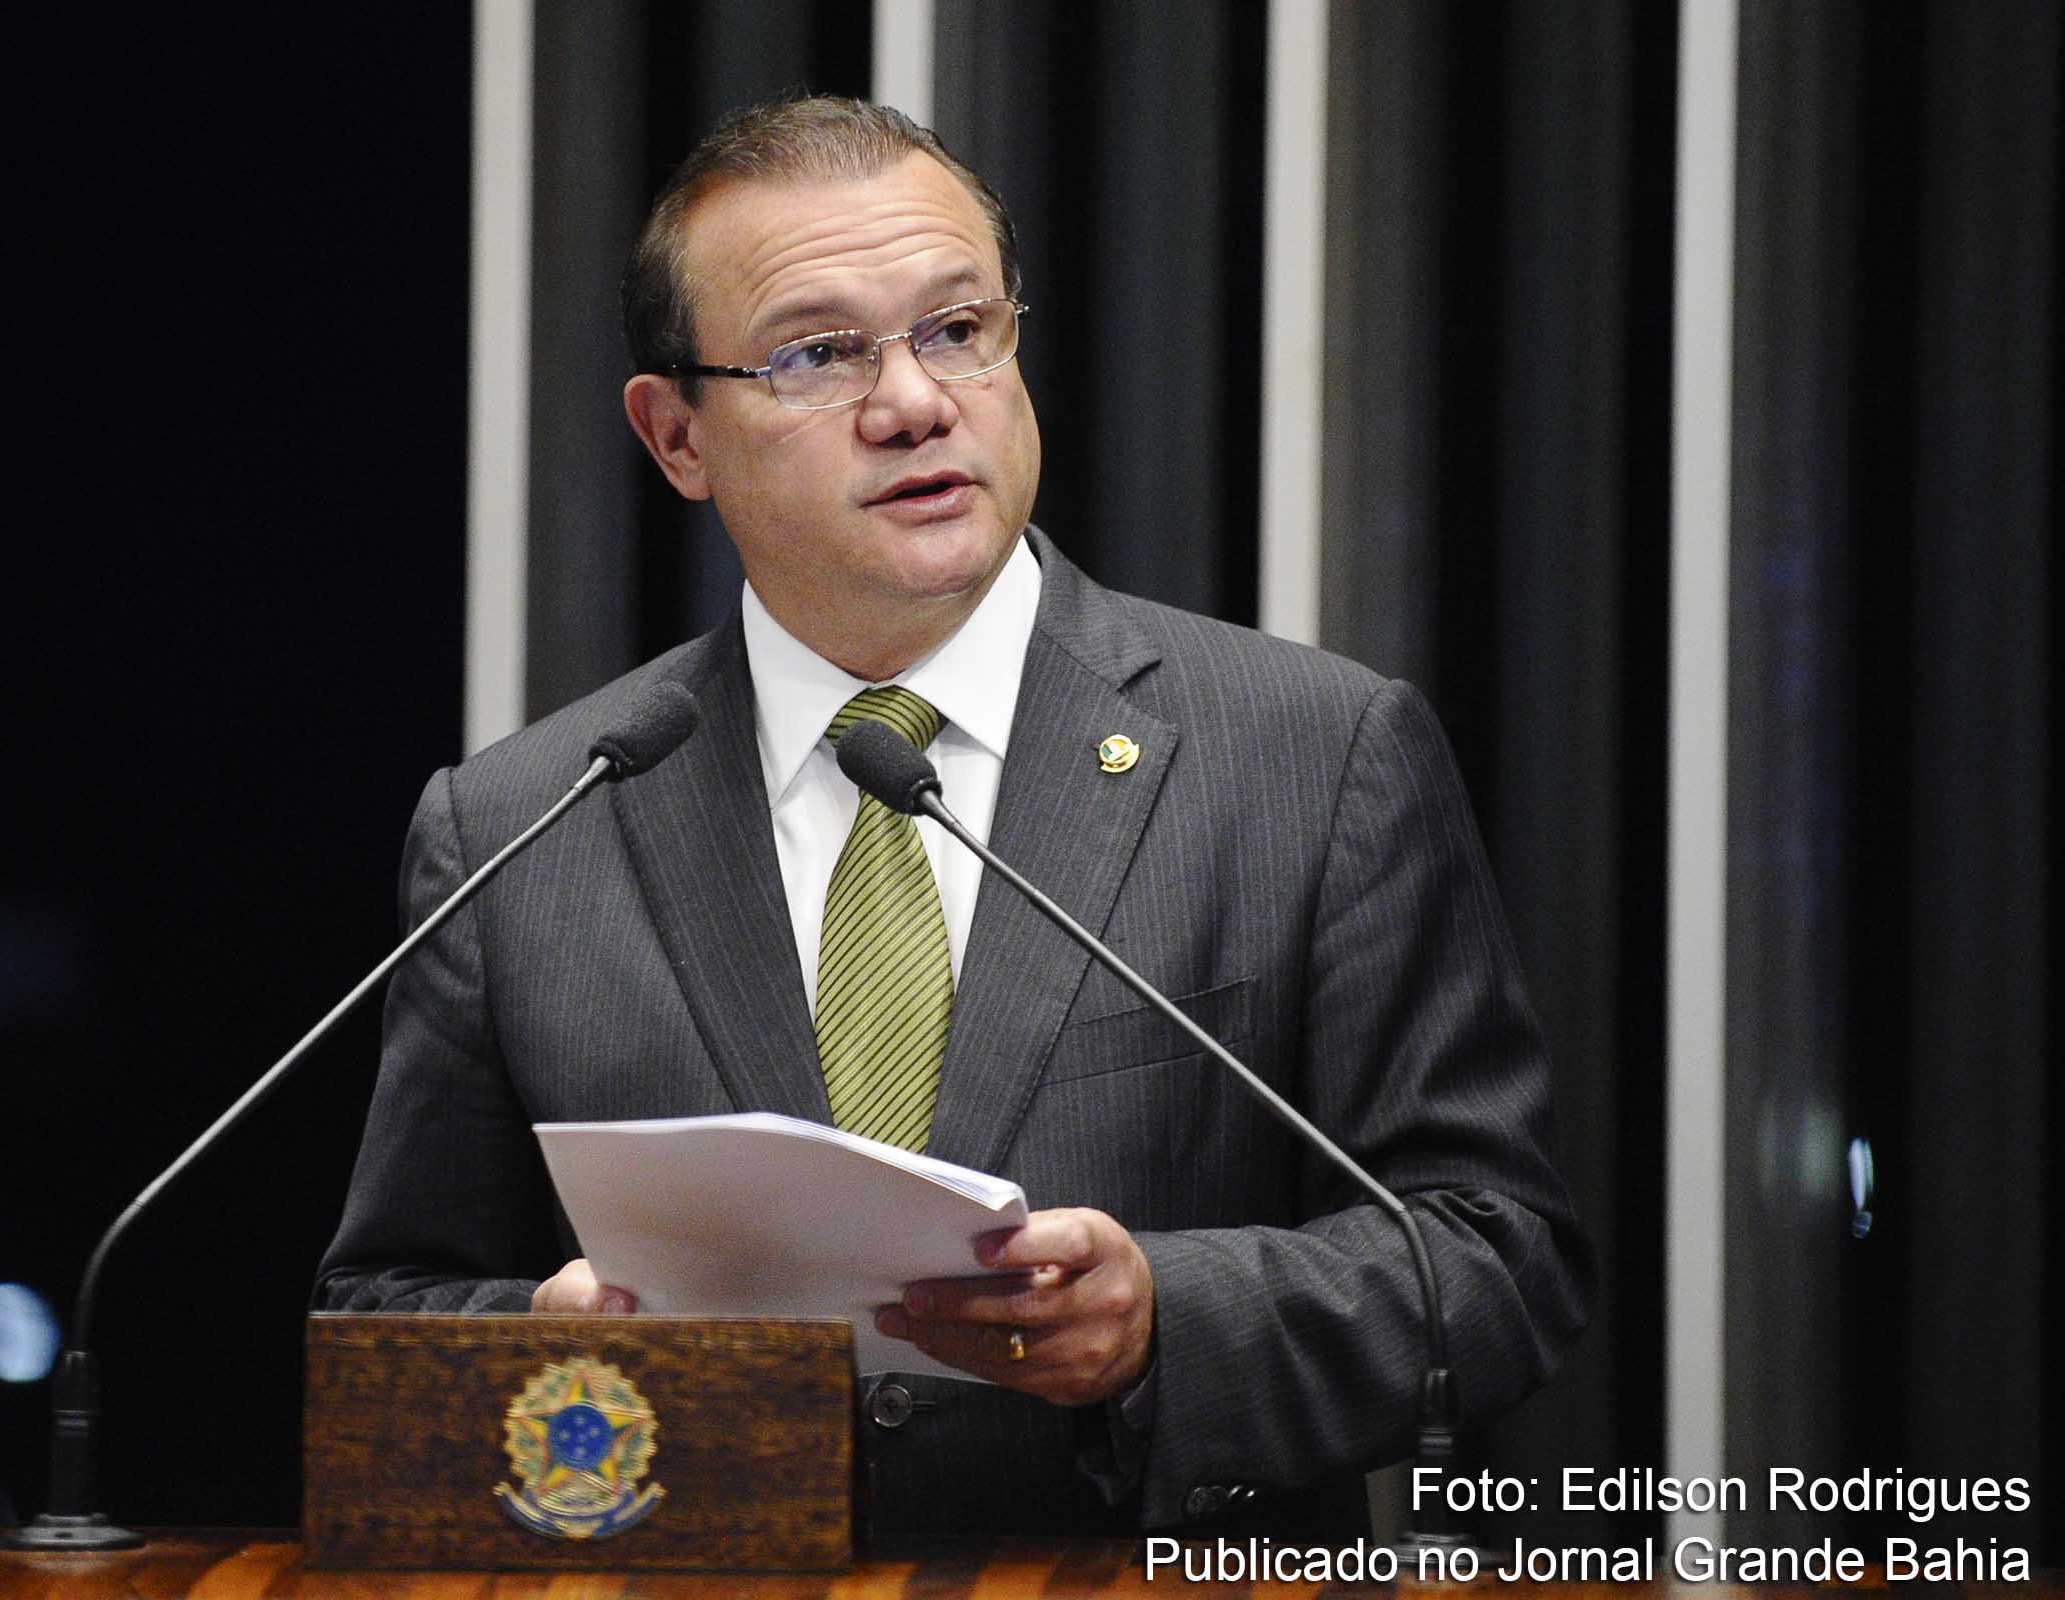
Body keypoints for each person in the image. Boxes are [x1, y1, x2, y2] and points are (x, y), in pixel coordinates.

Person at [316, 95, 1590, 1539]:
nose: (914, 401)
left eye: (957, 329)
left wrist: (1167, 1318)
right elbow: (389, 1312)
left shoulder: (1312, 757)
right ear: (677, 436)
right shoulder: (520, 827)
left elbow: (1499, 1263)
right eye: (818, 353)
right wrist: (544, 1337)